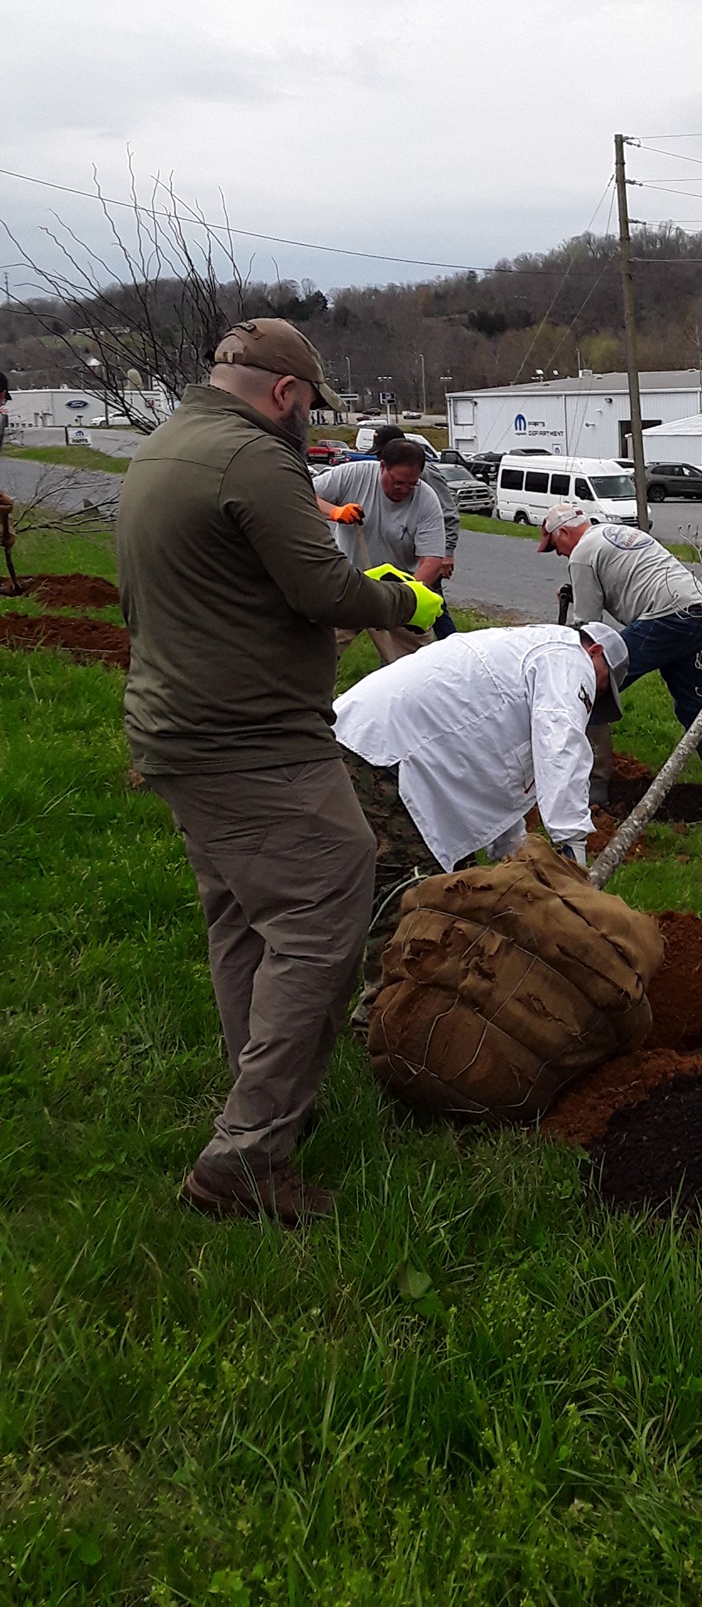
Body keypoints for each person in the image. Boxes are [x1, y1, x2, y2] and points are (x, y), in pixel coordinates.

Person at [115, 318, 443, 1225]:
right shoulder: (256, 458)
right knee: (328, 898)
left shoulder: (162, 449)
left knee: (244, 920)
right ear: (287, 394)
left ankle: (262, 1099)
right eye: (309, 405)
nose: (307, 421)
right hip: (249, 740)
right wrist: (401, 595)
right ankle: (249, 1152)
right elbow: (323, 590)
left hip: (180, 732)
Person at [332, 618, 629, 1029]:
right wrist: (571, 854)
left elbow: (505, 772)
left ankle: (329, 990)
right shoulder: (566, 657)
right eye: (600, 687)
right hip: (391, 758)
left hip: (375, 746)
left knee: (382, 883)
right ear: (595, 653)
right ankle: (382, 1018)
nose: (593, 700)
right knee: (414, 891)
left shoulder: (524, 656)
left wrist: (511, 851)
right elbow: (559, 747)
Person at [537, 502, 702, 804]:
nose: (559, 554)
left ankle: (596, 790)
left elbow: (590, 633)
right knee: (692, 705)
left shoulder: (581, 554)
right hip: (696, 609)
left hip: (665, 616)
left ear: (563, 532)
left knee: (592, 685)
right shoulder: (612, 532)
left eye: (555, 546)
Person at [313, 439, 447, 664]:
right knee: (314, 655)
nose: (404, 490)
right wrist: (334, 511)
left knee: (418, 668)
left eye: (411, 484)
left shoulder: (426, 500)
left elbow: (431, 561)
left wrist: (407, 599)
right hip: (349, 586)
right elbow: (299, 494)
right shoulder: (352, 475)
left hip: (395, 590)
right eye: (397, 482)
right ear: (382, 466)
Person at [364, 425, 460, 639]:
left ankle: (455, 651)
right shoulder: (380, 474)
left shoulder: (426, 475)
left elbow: (448, 513)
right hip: (401, 559)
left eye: (382, 452)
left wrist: (447, 552)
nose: (380, 458)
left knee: (433, 614)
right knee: (405, 625)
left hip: (426, 557)